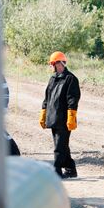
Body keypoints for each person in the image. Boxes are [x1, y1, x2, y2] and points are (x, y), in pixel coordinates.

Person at [39, 51, 80, 179]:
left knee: (59, 147)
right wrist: (43, 113)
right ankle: (71, 169)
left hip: (64, 119)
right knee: (62, 146)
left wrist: (71, 116)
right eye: (52, 64)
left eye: (53, 64)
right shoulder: (53, 79)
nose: (52, 66)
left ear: (59, 63)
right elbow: (47, 97)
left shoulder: (71, 79)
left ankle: (56, 172)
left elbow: (73, 99)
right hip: (52, 118)